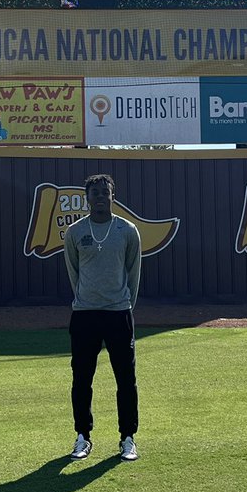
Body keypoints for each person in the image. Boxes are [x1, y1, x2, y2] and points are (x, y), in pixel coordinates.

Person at [62, 173, 142, 461]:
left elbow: (133, 271)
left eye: (104, 192)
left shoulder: (127, 230)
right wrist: (86, 298)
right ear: (87, 198)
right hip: (85, 315)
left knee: (126, 378)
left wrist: (125, 302)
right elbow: (74, 272)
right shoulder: (74, 232)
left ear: (113, 196)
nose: (99, 197)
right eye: (94, 192)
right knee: (82, 378)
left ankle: (128, 438)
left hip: (119, 313)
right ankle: (83, 436)